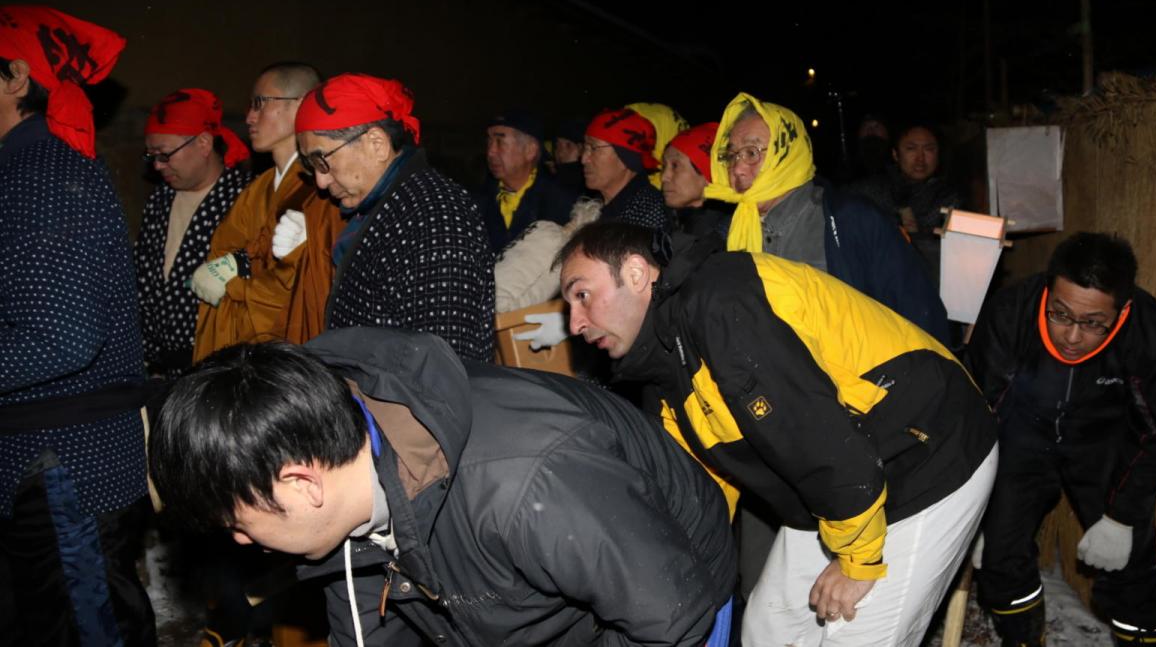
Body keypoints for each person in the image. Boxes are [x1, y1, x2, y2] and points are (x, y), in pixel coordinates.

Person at [149, 327, 737, 646]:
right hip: (515, 589)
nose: (242, 542)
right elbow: (367, 619)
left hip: (670, 589)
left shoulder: (526, 481)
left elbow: (668, 621)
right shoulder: (336, 491)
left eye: (236, 520)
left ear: (301, 483)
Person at [557, 222, 998, 646]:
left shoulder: (724, 304)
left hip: (927, 451)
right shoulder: (664, 362)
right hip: (837, 479)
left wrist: (860, 561)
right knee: (769, 633)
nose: (574, 323)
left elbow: (813, 435)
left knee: (856, 636)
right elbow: (700, 487)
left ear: (636, 273)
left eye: (583, 295)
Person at [0, 5, 156, 645]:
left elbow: (62, 337)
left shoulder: (39, 176)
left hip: (63, 467)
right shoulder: (25, 170)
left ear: (14, 78)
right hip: (44, 461)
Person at [967, 233, 1156, 647]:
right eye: (1060, 315)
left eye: (1092, 324)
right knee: (1001, 558)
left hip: (1102, 441)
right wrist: (973, 506)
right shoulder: (1010, 313)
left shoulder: (1149, 333)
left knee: (1133, 569)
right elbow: (978, 413)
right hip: (1022, 438)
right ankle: (1023, 638)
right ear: (1048, 291)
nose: (1071, 336)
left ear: (1122, 310)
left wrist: (1123, 515)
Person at [706, 92, 951, 346]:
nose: (737, 168)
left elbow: (921, 316)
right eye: (731, 155)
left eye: (751, 152)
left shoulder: (850, 221)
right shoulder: (726, 235)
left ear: (789, 153)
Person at [294, 73, 495, 362]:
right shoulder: (386, 206)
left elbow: (440, 368)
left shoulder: (435, 217)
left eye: (322, 161)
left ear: (377, 144)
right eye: (310, 165)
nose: (321, 182)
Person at [191, 61, 342, 361]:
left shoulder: (324, 189)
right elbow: (222, 254)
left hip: (281, 356)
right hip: (239, 346)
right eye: (251, 105)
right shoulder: (259, 188)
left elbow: (297, 287)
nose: (249, 117)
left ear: (301, 106)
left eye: (260, 103)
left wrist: (232, 282)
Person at [135, 88, 250, 414]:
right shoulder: (160, 201)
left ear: (203, 143)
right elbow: (145, 283)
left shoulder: (244, 198)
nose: (157, 165)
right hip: (162, 374)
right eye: (151, 156)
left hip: (220, 374)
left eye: (165, 154)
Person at [849, 122, 961, 281]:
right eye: (911, 149)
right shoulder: (872, 190)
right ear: (895, 154)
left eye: (929, 149)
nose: (920, 158)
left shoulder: (948, 197)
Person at [476, 108, 575, 253]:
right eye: (489, 141)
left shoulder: (561, 204)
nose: (490, 151)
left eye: (500, 142)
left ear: (530, 150)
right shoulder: (477, 202)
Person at [582, 107, 671, 230]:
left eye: (593, 148)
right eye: (585, 148)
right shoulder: (592, 210)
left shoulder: (649, 217)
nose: (583, 159)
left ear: (625, 157)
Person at [660, 122, 730, 239]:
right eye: (663, 166)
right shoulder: (667, 222)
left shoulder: (724, 233)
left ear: (709, 174)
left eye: (675, 166)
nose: (664, 177)